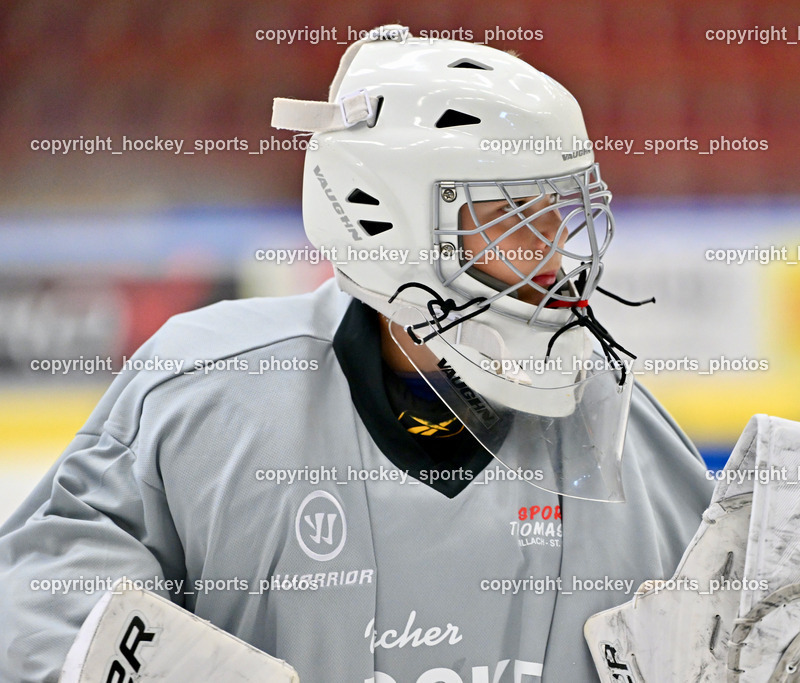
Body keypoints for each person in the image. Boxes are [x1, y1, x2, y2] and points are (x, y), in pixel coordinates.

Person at [0, 26, 712, 682]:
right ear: (387, 218)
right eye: (515, 215)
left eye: (562, 213)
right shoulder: (202, 399)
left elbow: (727, 630)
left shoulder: (625, 441)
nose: (554, 252)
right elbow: (45, 594)